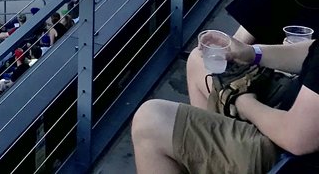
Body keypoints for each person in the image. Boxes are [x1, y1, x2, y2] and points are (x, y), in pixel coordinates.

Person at [131, 36, 319, 173]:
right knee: (200, 60)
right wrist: (252, 53)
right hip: (290, 118)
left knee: (150, 120)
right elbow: (313, 51)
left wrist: (241, 100)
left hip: (288, 159)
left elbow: (298, 138)